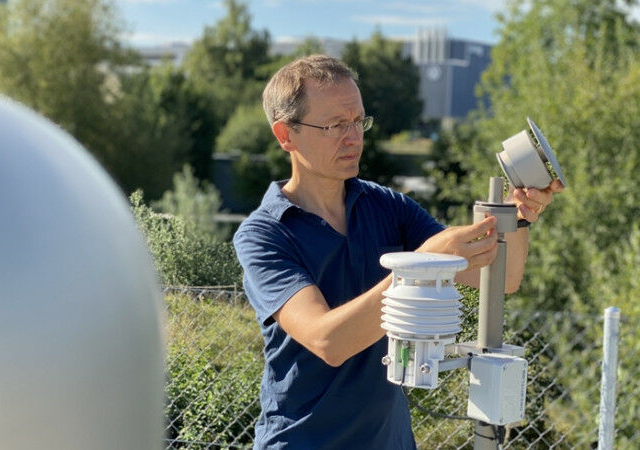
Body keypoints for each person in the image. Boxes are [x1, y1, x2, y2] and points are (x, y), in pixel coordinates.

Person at [233, 55, 563, 449]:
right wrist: (421, 266)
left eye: (358, 121)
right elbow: (328, 341)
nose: (353, 138)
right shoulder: (265, 235)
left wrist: (517, 217)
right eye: (335, 125)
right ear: (286, 135)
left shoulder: (387, 207)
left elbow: (502, 278)